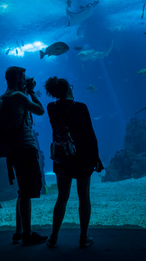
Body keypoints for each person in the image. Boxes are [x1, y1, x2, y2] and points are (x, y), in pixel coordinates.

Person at [44, 76, 104, 248]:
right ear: (68, 89)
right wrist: (96, 157)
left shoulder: (51, 107)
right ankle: (83, 237)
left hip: (62, 156)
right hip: (82, 157)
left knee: (62, 197)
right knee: (83, 196)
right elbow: (90, 134)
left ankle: (53, 237)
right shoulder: (80, 107)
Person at [1, 66, 48, 246]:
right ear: (18, 79)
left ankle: (19, 231)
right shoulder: (18, 96)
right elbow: (39, 110)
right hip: (24, 148)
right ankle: (28, 234)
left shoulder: (5, 97)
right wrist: (32, 92)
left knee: (22, 190)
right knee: (27, 191)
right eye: (24, 77)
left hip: (14, 149)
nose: (26, 79)